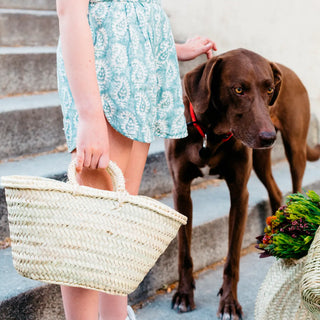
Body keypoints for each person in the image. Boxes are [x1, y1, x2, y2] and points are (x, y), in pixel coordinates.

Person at [56, 0, 217, 319]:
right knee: (88, 233)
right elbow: (72, 14)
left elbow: (130, 14)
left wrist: (174, 49)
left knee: (119, 226)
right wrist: (89, 116)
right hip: (105, 88)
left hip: (139, 88)